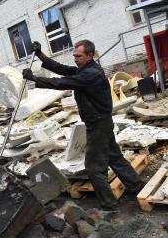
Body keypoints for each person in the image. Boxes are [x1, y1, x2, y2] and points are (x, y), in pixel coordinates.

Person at [23, 40, 145, 211]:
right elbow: (63, 69)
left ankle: (109, 206)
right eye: (74, 55)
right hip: (100, 121)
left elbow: (63, 82)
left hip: (97, 124)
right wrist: (40, 55)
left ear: (90, 55)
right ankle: (136, 185)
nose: (75, 59)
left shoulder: (91, 74)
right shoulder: (85, 69)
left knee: (94, 168)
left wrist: (36, 79)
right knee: (114, 157)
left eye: (79, 56)